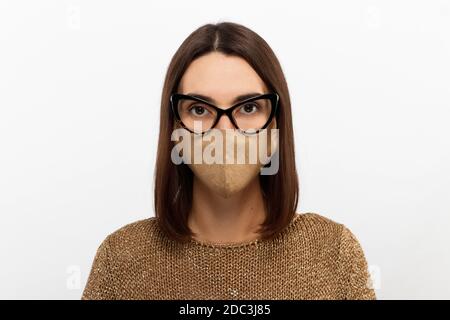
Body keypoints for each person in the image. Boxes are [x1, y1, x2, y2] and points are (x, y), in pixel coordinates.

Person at [82, 21, 376, 300]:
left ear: (276, 123)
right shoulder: (121, 260)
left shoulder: (333, 252)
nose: (224, 130)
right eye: (199, 109)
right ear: (174, 126)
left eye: (248, 107)